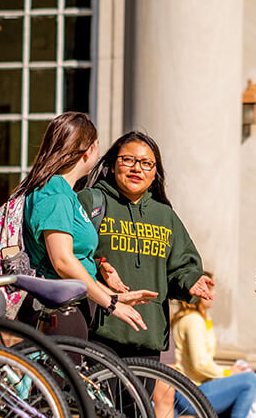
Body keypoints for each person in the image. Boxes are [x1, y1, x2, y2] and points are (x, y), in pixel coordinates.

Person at [14, 112, 157, 337]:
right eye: (97, 144)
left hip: (68, 305)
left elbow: (78, 264)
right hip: (56, 309)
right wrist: (110, 304)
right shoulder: (55, 193)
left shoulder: (67, 194)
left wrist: (112, 295)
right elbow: (62, 262)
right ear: (87, 151)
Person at [77, 131, 214, 359]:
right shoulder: (91, 201)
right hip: (99, 332)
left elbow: (181, 267)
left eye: (146, 163)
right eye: (128, 160)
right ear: (112, 165)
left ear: (155, 174)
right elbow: (69, 255)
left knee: (141, 397)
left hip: (147, 338)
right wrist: (100, 265)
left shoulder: (165, 215)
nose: (137, 168)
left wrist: (191, 281)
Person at [172, 273, 256, 418]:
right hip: (189, 395)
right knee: (249, 381)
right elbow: (200, 364)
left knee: (244, 378)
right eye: (209, 289)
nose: (214, 294)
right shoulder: (193, 321)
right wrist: (228, 373)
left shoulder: (199, 320)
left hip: (192, 390)